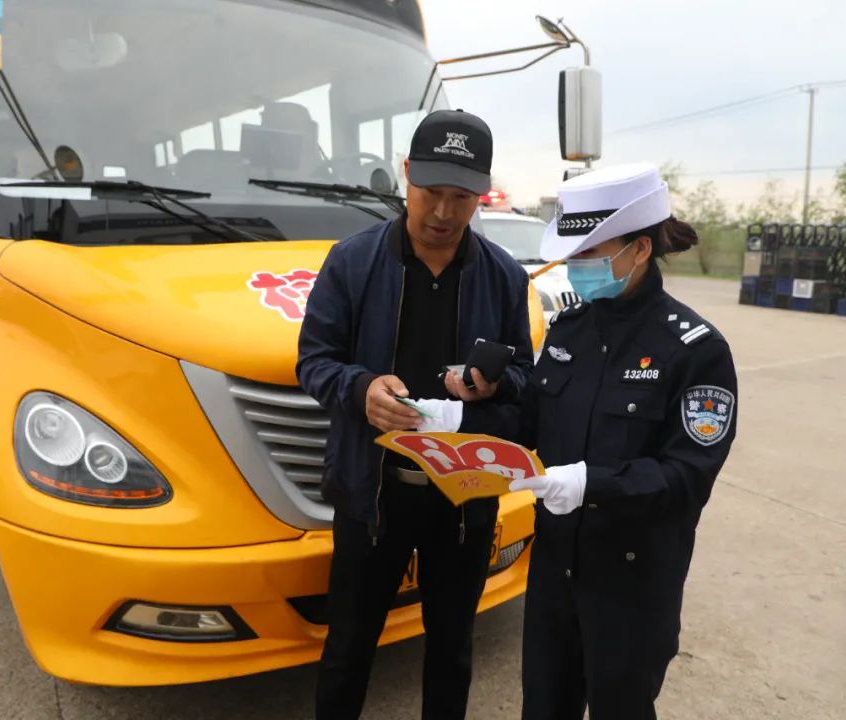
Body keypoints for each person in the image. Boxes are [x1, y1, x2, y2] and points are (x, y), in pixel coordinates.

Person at [421, 163, 739, 719]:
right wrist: (456, 418)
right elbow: (529, 424)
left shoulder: (694, 349)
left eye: (591, 254)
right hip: (555, 576)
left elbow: (686, 477)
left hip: (632, 583)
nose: (575, 268)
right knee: (544, 706)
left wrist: (592, 482)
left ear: (639, 250)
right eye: (574, 254)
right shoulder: (570, 331)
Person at [296, 109, 534, 720]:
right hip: (372, 496)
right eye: (431, 193)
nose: (443, 214)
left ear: (482, 194)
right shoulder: (352, 263)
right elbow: (314, 361)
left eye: (462, 198)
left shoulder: (504, 277)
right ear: (406, 175)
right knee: (349, 647)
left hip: (462, 499)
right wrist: (360, 390)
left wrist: (494, 386)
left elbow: (527, 382)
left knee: (452, 650)